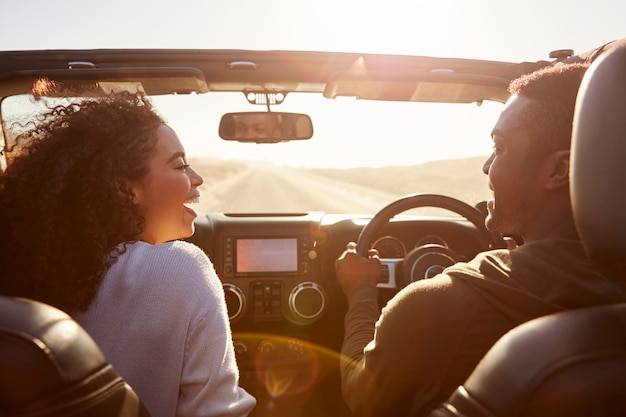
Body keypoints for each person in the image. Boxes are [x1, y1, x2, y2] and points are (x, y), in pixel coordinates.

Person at [335, 62, 626, 417]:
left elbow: (360, 396)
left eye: (499, 148)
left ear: (558, 170)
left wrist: (360, 292)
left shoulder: (439, 306)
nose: (487, 166)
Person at [0, 85, 256, 417]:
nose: (197, 178)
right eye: (179, 166)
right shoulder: (179, 268)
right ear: (126, 189)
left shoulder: (33, 270)